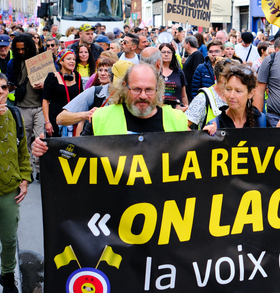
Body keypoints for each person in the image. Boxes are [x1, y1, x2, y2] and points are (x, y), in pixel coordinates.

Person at [32, 64, 187, 147]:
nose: (143, 96)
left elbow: (195, 154)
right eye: (136, 89)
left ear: (157, 89)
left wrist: (209, 139)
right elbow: (78, 155)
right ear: (125, 87)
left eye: (149, 90)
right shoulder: (100, 118)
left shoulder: (177, 119)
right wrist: (47, 149)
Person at [0, 73, 31, 293]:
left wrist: (25, 179)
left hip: (9, 189)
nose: (0, 92)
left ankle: (8, 276)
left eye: (3, 87)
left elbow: (23, 150)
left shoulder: (15, 113)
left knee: (9, 239)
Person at [6, 34, 43, 178]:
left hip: (40, 106)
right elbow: (9, 84)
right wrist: (13, 88)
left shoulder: (39, 62)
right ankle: (28, 171)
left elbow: (53, 79)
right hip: (21, 107)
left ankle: (40, 171)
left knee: (40, 139)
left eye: (23, 49)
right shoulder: (12, 64)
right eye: (18, 49)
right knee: (24, 141)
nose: (21, 52)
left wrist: (44, 84)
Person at [202, 64, 266, 132]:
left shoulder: (260, 121)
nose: (231, 96)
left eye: (238, 91)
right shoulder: (216, 124)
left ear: (251, 94)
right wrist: (206, 138)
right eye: (228, 89)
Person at [42, 50, 83, 138]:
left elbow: (81, 98)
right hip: (56, 120)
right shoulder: (52, 77)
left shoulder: (78, 76)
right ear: (61, 61)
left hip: (74, 118)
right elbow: (45, 100)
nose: (72, 61)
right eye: (69, 59)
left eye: (74, 59)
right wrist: (47, 122)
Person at [187, 57, 230, 129]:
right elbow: (183, 126)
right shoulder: (203, 98)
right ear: (222, 77)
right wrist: (201, 137)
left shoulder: (239, 97)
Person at [158, 43, 189, 111]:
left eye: (169, 52)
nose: (166, 54)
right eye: (163, 52)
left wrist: (186, 109)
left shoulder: (179, 72)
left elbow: (183, 95)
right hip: (159, 110)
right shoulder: (155, 71)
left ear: (173, 54)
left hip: (176, 110)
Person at [182, 36, 205, 101]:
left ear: (188, 44)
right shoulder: (193, 55)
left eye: (184, 44)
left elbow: (198, 74)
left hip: (192, 93)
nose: (183, 46)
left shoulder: (197, 55)